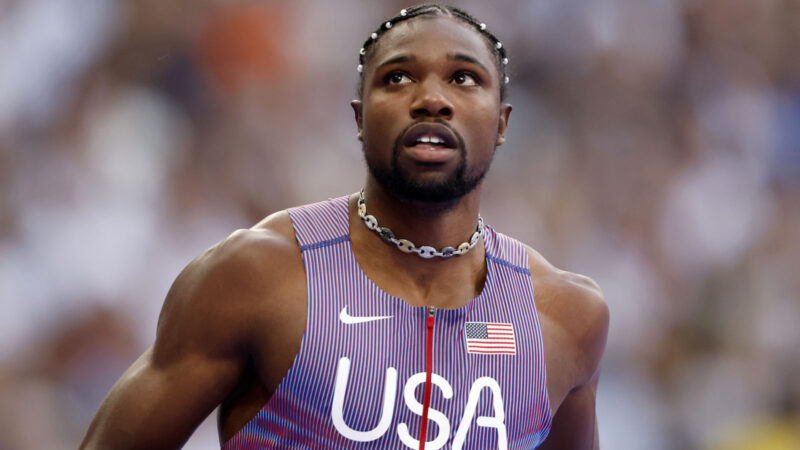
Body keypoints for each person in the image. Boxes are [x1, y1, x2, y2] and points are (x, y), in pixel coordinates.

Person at [80, 4, 609, 449]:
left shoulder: (564, 317)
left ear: (501, 123)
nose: (430, 98)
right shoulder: (260, 275)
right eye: (397, 77)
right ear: (358, 118)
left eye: (463, 78)